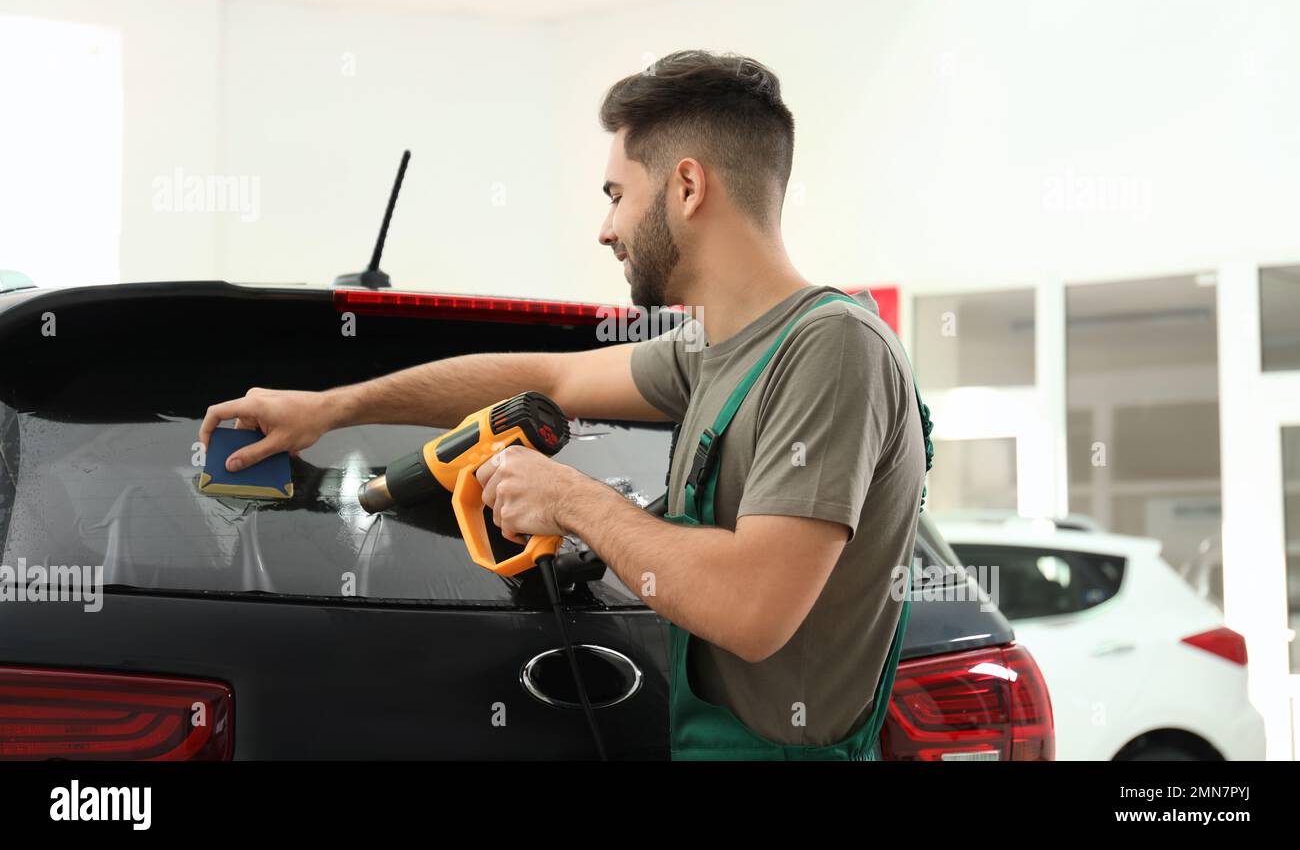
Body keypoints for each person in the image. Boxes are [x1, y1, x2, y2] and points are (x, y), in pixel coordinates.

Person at [199, 50, 928, 760]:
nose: (605, 229)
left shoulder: (832, 348)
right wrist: (332, 408)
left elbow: (752, 609)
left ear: (686, 187)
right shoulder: (714, 350)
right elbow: (552, 376)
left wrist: (570, 500)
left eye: (616, 195)